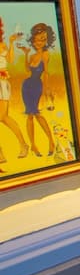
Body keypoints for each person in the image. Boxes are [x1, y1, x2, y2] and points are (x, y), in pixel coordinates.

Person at [17, 23, 56, 158]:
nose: (40, 42)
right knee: (30, 115)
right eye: (38, 39)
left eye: (43, 39)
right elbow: (27, 71)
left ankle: (51, 141)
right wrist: (26, 55)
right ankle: (33, 145)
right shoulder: (33, 56)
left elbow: (46, 73)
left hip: (37, 86)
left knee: (37, 114)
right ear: (33, 40)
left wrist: (47, 90)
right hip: (26, 86)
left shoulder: (45, 54)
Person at [0, 18, 29, 169]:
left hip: (1, 83)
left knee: (3, 117)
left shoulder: (3, 45)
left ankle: (22, 145)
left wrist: (11, 43)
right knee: (3, 117)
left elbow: (10, 60)